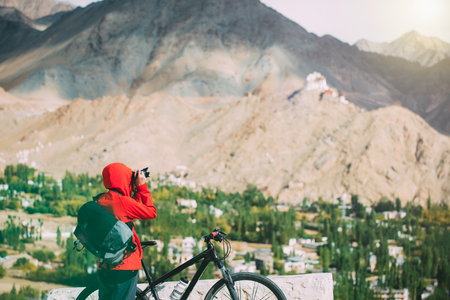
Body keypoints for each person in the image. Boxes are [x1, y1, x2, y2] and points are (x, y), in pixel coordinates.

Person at [96, 162, 157, 300]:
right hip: (124, 265)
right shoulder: (123, 202)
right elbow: (151, 212)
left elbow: (126, 209)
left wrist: (134, 191)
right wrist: (142, 187)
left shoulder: (101, 200)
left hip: (105, 266)